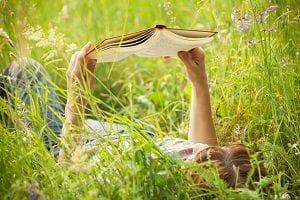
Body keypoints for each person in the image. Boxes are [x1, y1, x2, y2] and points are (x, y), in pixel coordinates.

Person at [0, 42, 266, 188]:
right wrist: (199, 81)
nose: (200, 149)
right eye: (198, 151)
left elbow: (67, 175)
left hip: (71, 147)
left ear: (188, 181)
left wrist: (76, 104)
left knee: (26, 70)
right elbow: (207, 153)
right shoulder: (217, 171)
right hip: (132, 139)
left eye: (195, 156)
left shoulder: (141, 182)